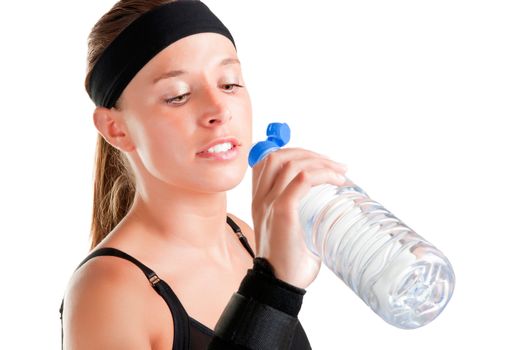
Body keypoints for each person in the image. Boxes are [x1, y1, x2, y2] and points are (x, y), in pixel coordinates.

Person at [59, 1, 348, 349]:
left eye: (229, 84)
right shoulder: (107, 291)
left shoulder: (249, 240)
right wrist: (274, 289)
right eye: (178, 96)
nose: (218, 110)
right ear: (116, 128)